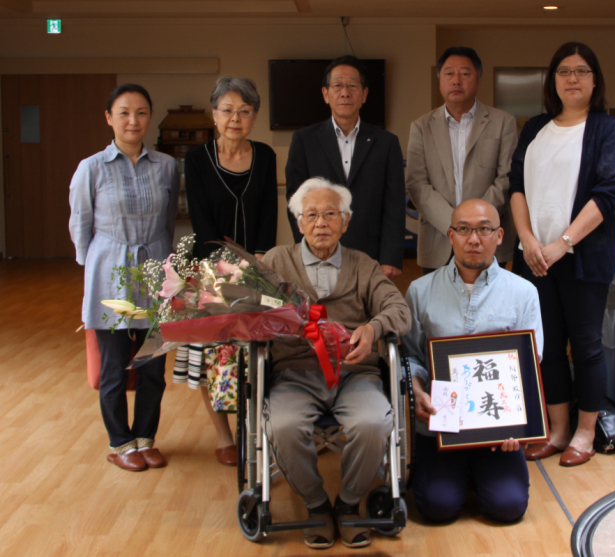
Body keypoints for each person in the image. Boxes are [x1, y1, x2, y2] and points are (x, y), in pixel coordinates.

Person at [262, 177, 411, 549]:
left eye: (331, 214)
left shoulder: (363, 265)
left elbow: (399, 309)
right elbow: (246, 311)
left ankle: (346, 503)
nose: (321, 223)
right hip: (295, 373)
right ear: (298, 223)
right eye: (311, 215)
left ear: (346, 221)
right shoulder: (276, 261)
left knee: (374, 421)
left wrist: (373, 329)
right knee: (281, 424)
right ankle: (315, 504)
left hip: (353, 374)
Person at [508, 42, 615, 467]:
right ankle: (557, 431)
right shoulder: (536, 126)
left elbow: (607, 194)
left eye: (581, 71)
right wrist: (528, 240)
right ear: (552, 81)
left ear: (595, 80)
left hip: (580, 258)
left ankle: (585, 432)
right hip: (535, 259)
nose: (572, 78)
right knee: (548, 347)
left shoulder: (607, 130)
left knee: (587, 345)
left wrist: (563, 244)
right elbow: (516, 187)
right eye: (563, 71)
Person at [402, 198, 543, 523]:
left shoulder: (523, 293)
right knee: (436, 508)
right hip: (441, 425)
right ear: (451, 236)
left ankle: (479, 475)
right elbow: (411, 355)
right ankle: (460, 476)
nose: (474, 239)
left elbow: (529, 363)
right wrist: (419, 390)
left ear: (500, 235)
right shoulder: (420, 290)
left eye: (484, 229)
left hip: (499, 433)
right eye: (464, 230)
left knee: (507, 508)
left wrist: (518, 424)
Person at [69, 84, 179, 472]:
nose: (133, 121)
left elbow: (168, 222)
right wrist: (95, 270)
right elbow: (80, 225)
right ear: (109, 118)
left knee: (152, 367)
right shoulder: (91, 168)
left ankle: (146, 438)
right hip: (110, 273)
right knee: (114, 366)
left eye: (142, 112)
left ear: (150, 117)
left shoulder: (167, 166)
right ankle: (121, 443)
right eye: (124, 112)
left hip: (154, 270)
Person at [173, 76, 278, 467]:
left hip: (258, 269)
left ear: (255, 117)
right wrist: (220, 271)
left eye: (245, 111)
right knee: (209, 355)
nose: (236, 118)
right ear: (214, 114)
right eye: (227, 110)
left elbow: (268, 212)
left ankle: (258, 427)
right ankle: (223, 436)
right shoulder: (198, 159)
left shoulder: (266, 156)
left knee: (257, 353)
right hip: (210, 271)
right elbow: (200, 222)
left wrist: (259, 264)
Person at [285, 55, 406, 279]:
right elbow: (295, 203)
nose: (345, 93)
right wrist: (306, 249)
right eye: (337, 85)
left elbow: (394, 204)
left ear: (364, 94)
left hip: (372, 255)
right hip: (319, 252)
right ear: (325, 94)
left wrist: (390, 258)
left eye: (352, 86)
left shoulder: (386, 143)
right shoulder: (304, 140)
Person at [406, 47, 518, 273]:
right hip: (439, 239)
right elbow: (417, 184)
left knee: (491, 307)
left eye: (465, 74)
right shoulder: (421, 127)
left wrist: (475, 225)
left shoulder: (503, 122)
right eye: (449, 74)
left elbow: (506, 178)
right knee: (440, 308)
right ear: (440, 80)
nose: (456, 80)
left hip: (489, 241)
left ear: (477, 79)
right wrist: (457, 226)